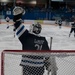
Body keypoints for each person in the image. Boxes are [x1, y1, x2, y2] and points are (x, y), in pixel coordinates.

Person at [13, 6, 58, 75]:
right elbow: (47, 56)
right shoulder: (43, 40)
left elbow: (17, 24)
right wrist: (49, 65)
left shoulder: (26, 36)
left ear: (33, 29)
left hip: (27, 68)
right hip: (39, 69)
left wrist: (18, 15)